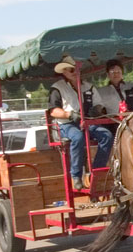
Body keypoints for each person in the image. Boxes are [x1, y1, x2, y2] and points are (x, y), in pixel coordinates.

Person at [48, 56, 114, 190]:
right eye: (71, 70)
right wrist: (70, 115)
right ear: (64, 72)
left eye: (76, 70)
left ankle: (95, 171)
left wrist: (97, 109)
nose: (75, 72)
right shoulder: (57, 88)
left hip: (88, 122)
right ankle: (76, 175)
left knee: (107, 136)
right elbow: (54, 111)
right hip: (67, 124)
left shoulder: (89, 86)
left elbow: (99, 104)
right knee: (78, 138)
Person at [97, 59, 133, 136]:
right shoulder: (101, 92)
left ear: (122, 73)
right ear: (108, 74)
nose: (116, 74)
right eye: (112, 72)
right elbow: (99, 108)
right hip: (115, 123)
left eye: (118, 72)